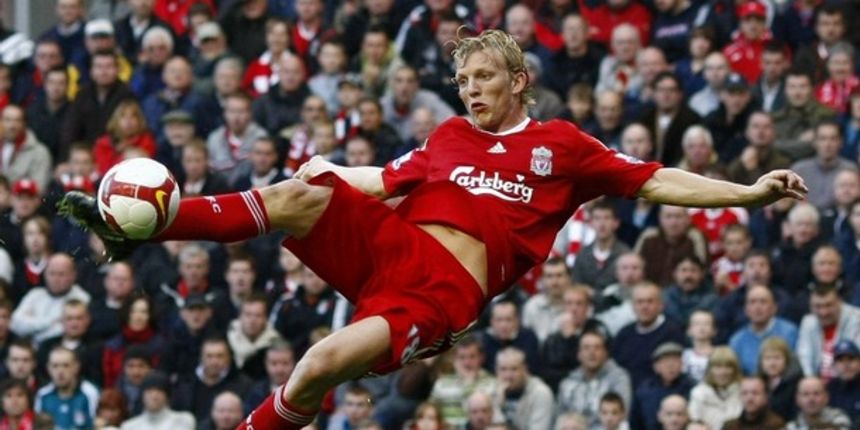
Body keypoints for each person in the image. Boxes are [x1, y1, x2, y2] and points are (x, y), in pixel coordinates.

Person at [59, 29, 809, 430]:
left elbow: (656, 179)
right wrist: (318, 176)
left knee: (320, 365)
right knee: (303, 190)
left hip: (441, 294)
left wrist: (747, 192)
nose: (469, 89)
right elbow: (383, 181)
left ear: (516, 80)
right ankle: (144, 229)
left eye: (482, 77)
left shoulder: (564, 147)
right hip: (392, 247)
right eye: (462, 80)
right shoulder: (447, 136)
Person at [557, 331, 632, 428]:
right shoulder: (568, 382)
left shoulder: (618, 379)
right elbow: (560, 418)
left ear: (605, 353)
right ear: (578, 354)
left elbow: (619, 418)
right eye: (586, 348)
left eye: (597, 348)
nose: (591, 353)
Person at [729, 284, 799, 375]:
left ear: (774, 308)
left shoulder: (789, 332)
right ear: (746, 310)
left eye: (763, 302)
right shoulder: (737, 340)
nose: (757, 307)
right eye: (752, 302)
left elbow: (794, 368)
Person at [797, 284, 860, 378]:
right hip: (819, 385)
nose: (824, 312)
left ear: (840, 302)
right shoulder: (808, 322)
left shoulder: (856, 318)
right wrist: (811, 380)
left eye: (828, 305)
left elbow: (854, 357)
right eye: (818, 306)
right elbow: (804, 357)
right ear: (810, 306)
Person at [630, 342, 695, 430]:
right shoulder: (645, 390)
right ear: (656, 366)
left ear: (681, 364)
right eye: (666, 361)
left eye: (675, 360)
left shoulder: (692, 387)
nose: (670, 365)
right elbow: (635, 421)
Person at [35, 347, 101, 429]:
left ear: (76, 367)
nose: (60, 371)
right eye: (55, 366)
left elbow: (98, 424)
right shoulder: (43, 394)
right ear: (48, 368)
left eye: (66, 365)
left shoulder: (90, 392)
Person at [491, 347, 553, 430]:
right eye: (503, 369)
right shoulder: (492, 391)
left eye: (514, 369)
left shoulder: (540, 393)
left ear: (525, 369)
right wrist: (497, 405)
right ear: (496, 371)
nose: (508, 376)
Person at [688, 346, 743, 430]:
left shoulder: (743, 392)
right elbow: (694, 422)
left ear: (735, 370)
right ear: (710, 369)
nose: (723, 372)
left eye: (728, 367)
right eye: (718, 367)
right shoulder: (698, 393)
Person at [119, 372, 196, 430]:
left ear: (167, 396)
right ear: (142, 396)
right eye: (149, 391)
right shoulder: (129, 427)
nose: (154, 396)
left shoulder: (184, 420)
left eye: (159, 391)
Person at [757, 337, 802, 421]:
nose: (772, 363)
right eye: (767, 358)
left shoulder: (796, 384)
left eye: (777, 358)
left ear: (787, 360)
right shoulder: (757, 382)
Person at [786, 377, 852, 430]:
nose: (811, 399)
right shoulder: (791, 426)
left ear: (826, 397)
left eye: (816, 393)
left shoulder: (839, 419)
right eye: (805, 394)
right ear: (797, 399)